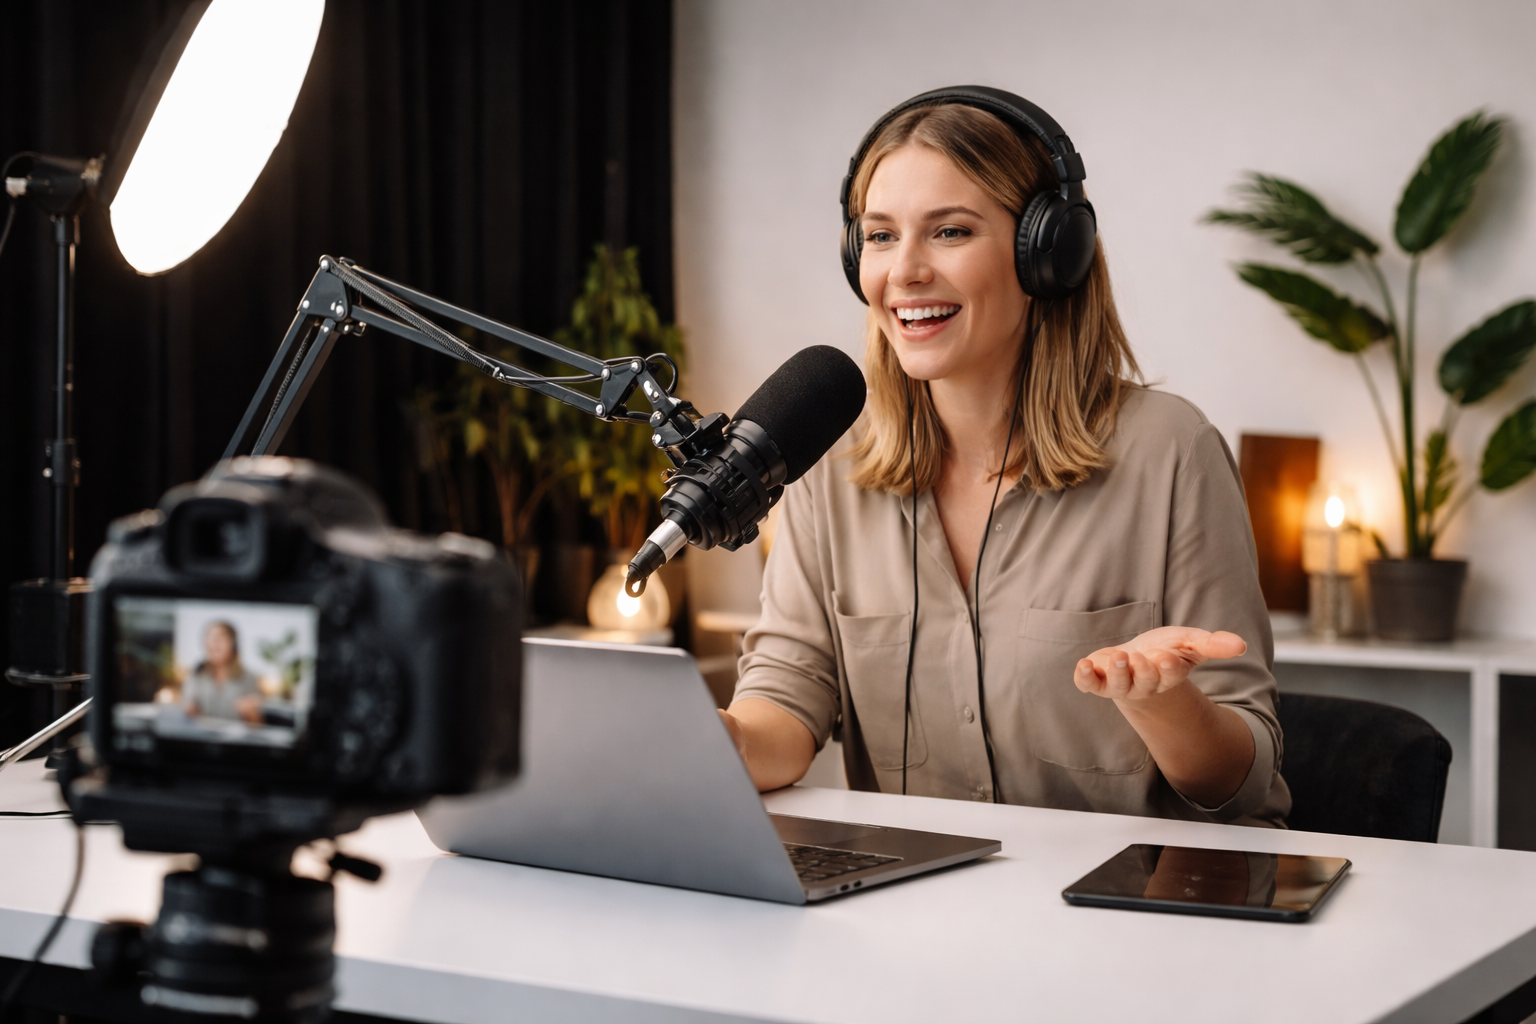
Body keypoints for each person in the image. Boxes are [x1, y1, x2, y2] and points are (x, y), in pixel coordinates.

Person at [720, 91, 1289, 826]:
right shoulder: (828, 468)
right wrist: (714, 739)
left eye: (950, 231)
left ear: (1046, 252)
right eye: (882, 236)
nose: (906, 271)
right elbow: (786, 702)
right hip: (923, 913)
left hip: (1141, 914)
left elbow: (1240, 782)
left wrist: (1165, 703)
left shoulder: (1171, 452)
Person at [181, 620, 263, 725]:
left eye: (220, 638)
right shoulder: (197, 674)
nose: (214, 643)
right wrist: (189, 710)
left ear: (233, 644)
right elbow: (186, 715)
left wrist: (250, 713)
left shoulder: (249, 678)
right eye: (210, 638)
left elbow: (257, 725)